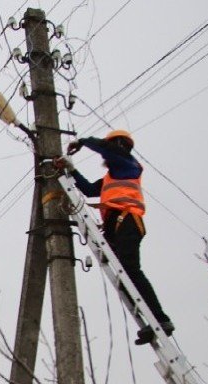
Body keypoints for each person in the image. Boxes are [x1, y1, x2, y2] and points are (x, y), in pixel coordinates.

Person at [53, 129, 174, 345]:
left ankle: (161, 319)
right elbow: (90, 190)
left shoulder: (130, 166)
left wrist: (83, 141)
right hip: (114, 227)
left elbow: (107, 150)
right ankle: (150, 323)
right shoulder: (111, 177)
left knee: (131, 269)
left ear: (119, 146)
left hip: (127, 221)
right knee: (122, 277)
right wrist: (71, 171)